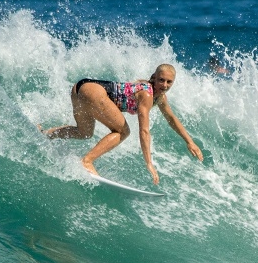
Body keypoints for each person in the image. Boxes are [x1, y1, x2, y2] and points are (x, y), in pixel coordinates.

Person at [41, 64, 203, 185]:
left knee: (84, 132)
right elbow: (144, 131)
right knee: (123, 131)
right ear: (154, 77)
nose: (165, 85)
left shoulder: (159, 97)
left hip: (80, 88)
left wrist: (190, 141)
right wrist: (149, 163)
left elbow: (171, 118)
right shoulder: (147, 94)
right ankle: (87, 161)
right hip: (94, 91)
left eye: (169, 82)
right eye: (161, 80)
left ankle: (47, 134)